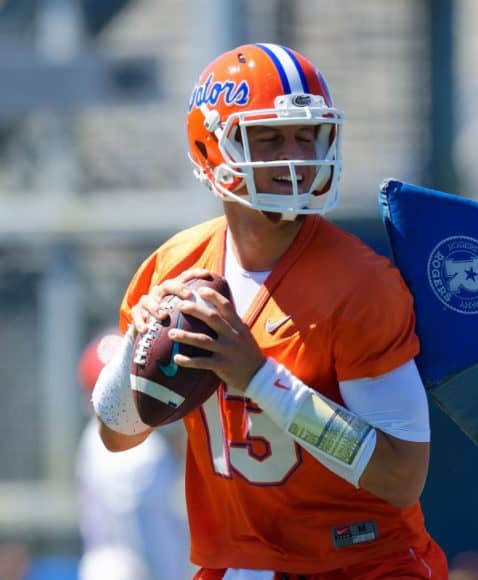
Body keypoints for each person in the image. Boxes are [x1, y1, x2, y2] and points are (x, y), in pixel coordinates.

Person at [90, 43, 447, 578]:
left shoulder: (360, 285)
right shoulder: (173, 268)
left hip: (362, 564)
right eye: (270, 138)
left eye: (308, 137)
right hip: (240, 564)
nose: (297, 158)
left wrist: (258, 377)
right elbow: (117, 436)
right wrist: (134, 355)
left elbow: (400, 476)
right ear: (211, 147)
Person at [76, 330, 191, 580]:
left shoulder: (90, 439)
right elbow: (149, 541)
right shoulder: (142, 453)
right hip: (133, 570)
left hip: (98, 564)